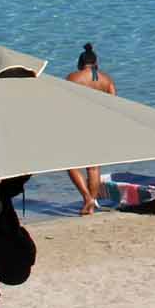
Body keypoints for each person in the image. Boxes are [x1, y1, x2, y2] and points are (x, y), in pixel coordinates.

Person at [63, 43, 112, 214]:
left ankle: (87, 198)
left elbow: (63, 103)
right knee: (94, 167)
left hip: (77, 124)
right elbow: (115, 106)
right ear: (96, 62)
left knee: (70, 164)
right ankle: (92, 203)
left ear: (80, 62)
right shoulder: (106, 80)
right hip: (98, 126)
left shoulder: (73, 78)